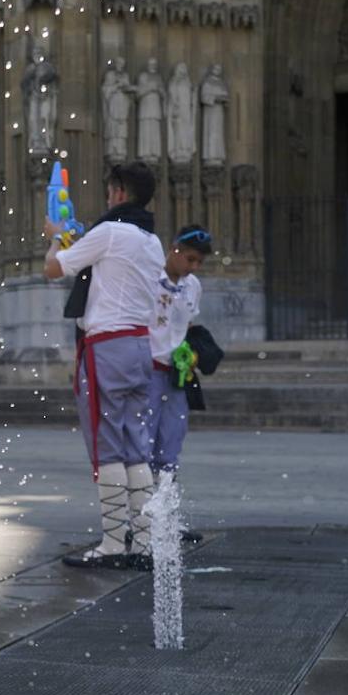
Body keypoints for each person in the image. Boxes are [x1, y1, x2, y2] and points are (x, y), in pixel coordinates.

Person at [43, 161, 164, 571]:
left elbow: (53, 268)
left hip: (106, 346)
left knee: (106, 443)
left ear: (118, 193)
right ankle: (144, 541)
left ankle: (114, 541)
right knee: (135, 445)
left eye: (110, 190)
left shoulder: (109, 233)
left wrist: (56, 236)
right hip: (139, 345)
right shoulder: (152, 241)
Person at [147, 226, 212, 543]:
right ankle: (139, 520)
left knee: (171, 446)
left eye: (199, 262)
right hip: (146, 372)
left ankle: (168, 518)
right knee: (141, 445)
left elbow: (186, 325)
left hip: (177, 374)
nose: (194, 267)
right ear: (173, 250)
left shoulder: (192, 286)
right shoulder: (147, 279)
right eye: (190, 259)